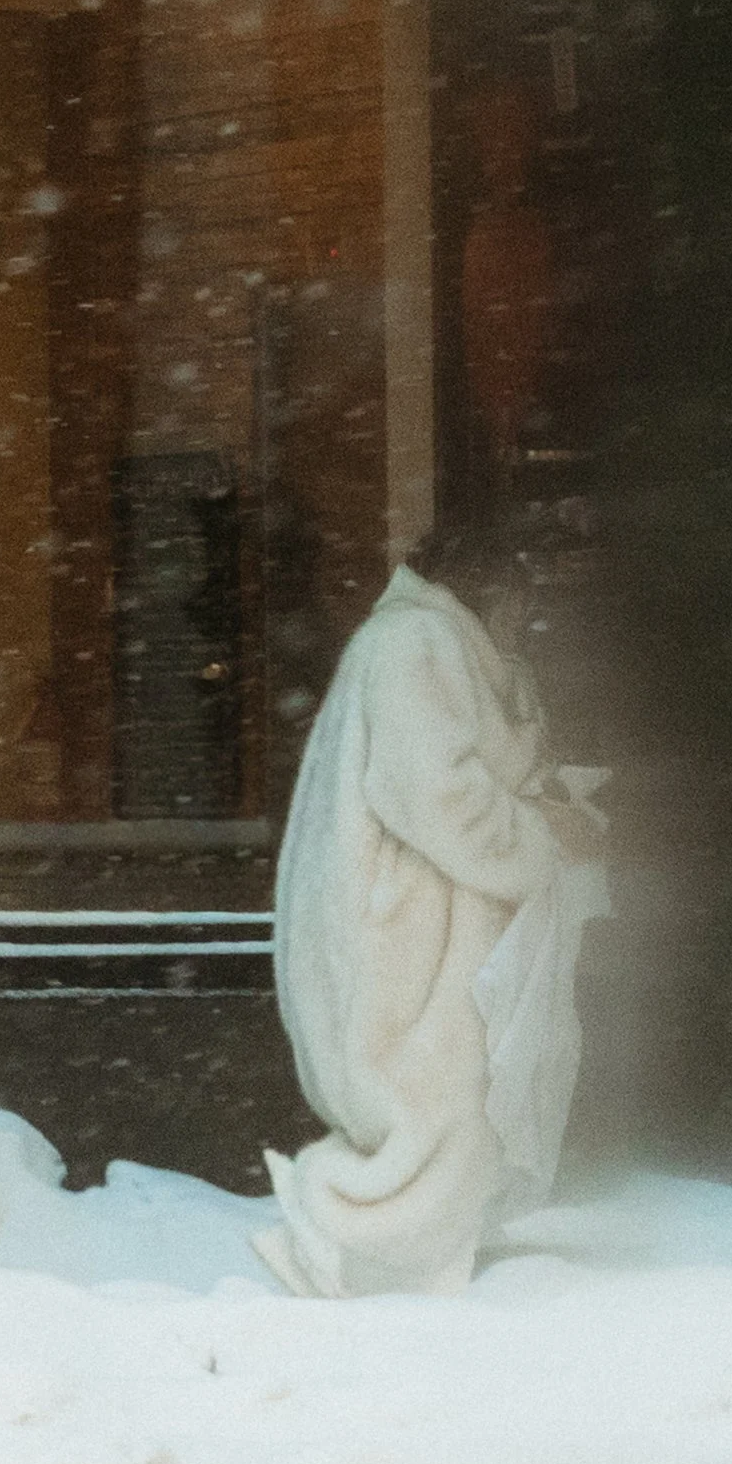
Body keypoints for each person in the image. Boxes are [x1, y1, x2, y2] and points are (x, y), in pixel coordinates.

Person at [253, 512, 608, 1301]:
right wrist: (541, 832)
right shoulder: (416, 643)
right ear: (487, 584)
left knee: (456, 1100)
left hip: (444, 915)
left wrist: (548, 803)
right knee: (437, 1102)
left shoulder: (449, 648)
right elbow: (436, 794)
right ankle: (345, 1236)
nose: (527, 612)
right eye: (520, 592)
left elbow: (476, 775)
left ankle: (396, 1255)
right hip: (415, 922)